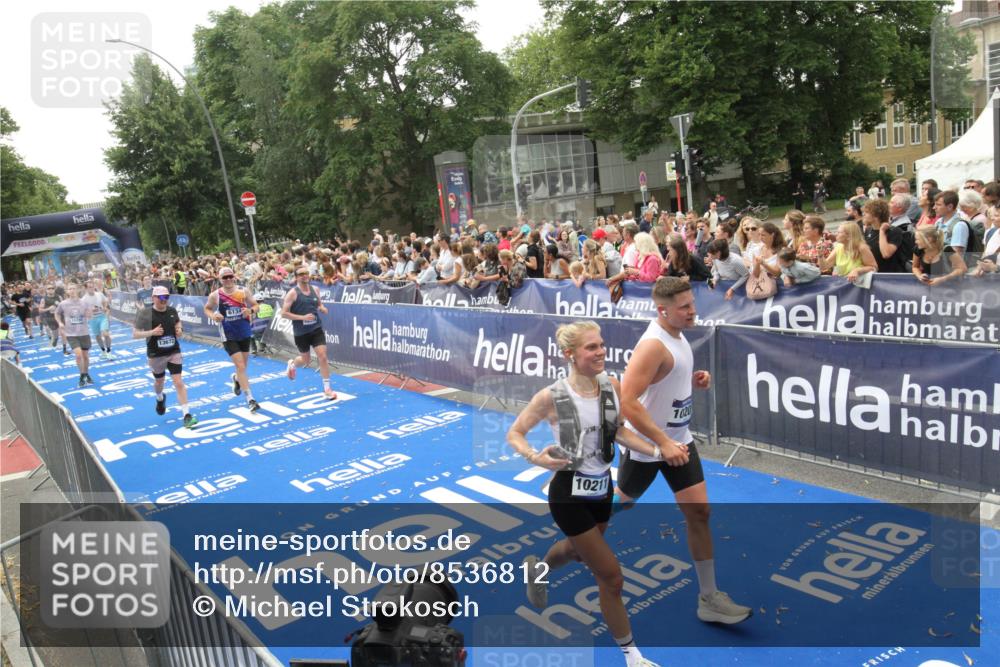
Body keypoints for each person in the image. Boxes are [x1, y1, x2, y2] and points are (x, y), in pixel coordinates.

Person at [507, 320, 665, 667]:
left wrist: (658, 451)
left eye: (601, 344)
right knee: (611, 577)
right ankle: (633, 657)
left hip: (601, 489)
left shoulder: (611, 386)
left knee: (578, 552)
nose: (601, 351)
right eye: (591, 347)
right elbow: (515, 433)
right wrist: (536, 458)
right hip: (568, 494)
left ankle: (539, 570)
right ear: (570, 354)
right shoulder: (551, 396)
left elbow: (619, 431)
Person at [616, 277, 752, 625]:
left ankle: (709, 597)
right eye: (685, 307)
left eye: (692, 303)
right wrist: (661, 444)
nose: (693, 311)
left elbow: (663, 382)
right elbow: (627, 401)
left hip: (679, 439)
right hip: (648, 446)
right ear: (663, 310)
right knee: (619, 503)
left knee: (699, 512)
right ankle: (571, 540)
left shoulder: (677, 335)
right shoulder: (653, 345)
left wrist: (691, 381)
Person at [133, 286, 198, 428]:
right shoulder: (145, 313)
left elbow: (178, 322)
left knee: (178, 382)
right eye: (161, 297)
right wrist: (151, 332)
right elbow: (135, 334)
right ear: (153, 298)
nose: (164, 300)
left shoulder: (172, 310)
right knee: (159, 382)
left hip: (174, 351)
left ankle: (187, 415)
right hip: (156, 354)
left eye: (166, 297)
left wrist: (179, 329)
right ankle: (160, 398)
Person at [204, 266, 261, 412]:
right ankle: (250, 399)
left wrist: (250, 310)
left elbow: (256, 305)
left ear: (234, 277)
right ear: (220, 279)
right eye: (225, 277)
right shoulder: (216, 295)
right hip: (228, 334)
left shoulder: (243, 291)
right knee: (241, 366)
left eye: (230, 276)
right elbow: (207, 308)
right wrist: (213, 316)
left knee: (243, 367)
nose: (228, 279)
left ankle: (236, 378)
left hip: (244, 331)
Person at [281, 267, 338, 401]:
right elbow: (283, 313)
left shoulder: (315, 289)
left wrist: (322, 308)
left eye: (306, 273)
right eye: (301, 274)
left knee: (322, 356)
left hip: (316, 329)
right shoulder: (292, 293)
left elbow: (318, 304)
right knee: (305, 361)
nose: (304, 276)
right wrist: (302, 317)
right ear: (296, 277)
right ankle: (292, 364)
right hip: (301, 332)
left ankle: (327, 389)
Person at [54, 283, 95, 387]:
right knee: (78, 355)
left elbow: (89, 315)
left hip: (84, 333)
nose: (72, 290)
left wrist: (90, 314)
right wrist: (60, 323)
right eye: (70, 289)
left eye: (73, 288)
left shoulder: (84, 302)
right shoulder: (63, 303)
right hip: (71, 334)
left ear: (77, 290)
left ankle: (86, 374)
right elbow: (56, 313)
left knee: (85, 356)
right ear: (67, 291)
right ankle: (81, 375)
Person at [82, 279, 114, 358]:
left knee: (105, 333)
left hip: (102, 317)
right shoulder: (84, 299)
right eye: (89, 287)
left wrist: (105, 307)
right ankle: (103, 351)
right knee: (97, 336)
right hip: (92, 319)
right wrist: (90, 311)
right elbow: (83, 312)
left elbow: (105, 302)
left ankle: (109, 351)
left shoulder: (99, 294)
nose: (92, 288)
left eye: (92, 287)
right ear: (86, 289)